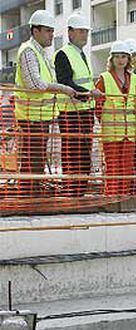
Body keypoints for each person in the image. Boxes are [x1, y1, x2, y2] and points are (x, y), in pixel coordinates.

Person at [14, 9, 75, 195]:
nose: (51, 35)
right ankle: (29, 196)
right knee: (32, 160)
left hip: (41, 117)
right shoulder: (28, 52)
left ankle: (33, 194)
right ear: (36, 31)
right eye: (48, 31)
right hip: (31, 118)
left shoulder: (41, 53)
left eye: (52, 31)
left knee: (38, 159)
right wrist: (62, 88)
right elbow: (35, 84)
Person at [54, 13, 101, 196]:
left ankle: (80, 190)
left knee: (84, 154)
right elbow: (65, 82)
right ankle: (72, 191)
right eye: (81, 31)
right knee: (73, 153)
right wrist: (88, 94)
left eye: (86, 32)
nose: (85, 35)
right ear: (70, 33)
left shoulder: (81, 54)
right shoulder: (63, 54)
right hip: (71, 113)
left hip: (85, 112)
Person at [95, 41, 136, 197]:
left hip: (130, 134)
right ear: (111, 59)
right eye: (117, 57)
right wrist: (107, 122)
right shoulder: (104, 79)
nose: (120, 60)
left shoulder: (135, 79)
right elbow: (98, 107)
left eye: (124, 57)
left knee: (126, 168)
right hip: (111, 134)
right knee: (113, 167)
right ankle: (112, 198)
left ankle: (124, 197)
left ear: (128, 59)